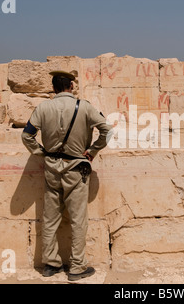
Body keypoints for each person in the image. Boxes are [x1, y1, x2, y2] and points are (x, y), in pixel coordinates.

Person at [21, 70, 112, 281]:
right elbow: (107, 130)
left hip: (52, 167)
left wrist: (41, 153)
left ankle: (50, 264)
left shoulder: (43, 108)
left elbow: (27, 136)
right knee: (78, 218)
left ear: (53, 88)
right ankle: (77, 266)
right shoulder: (85, 106)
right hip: (76, 169)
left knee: (50, 217)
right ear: (71, 86)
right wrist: (92, 151)